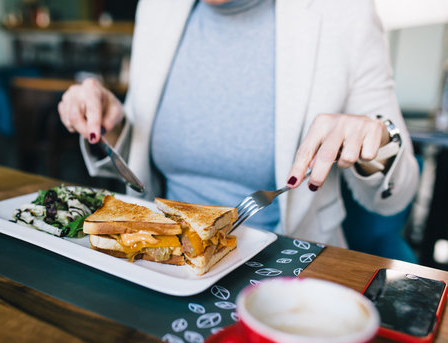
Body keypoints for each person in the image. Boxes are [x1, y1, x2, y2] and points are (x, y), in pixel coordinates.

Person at [58, 0, 420, 248]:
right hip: (164, 253)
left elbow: (398, 195)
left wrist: (372, 142)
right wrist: (113, 124)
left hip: (287, 267)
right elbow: (146, 146)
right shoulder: (158, 7)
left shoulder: (342, 12)